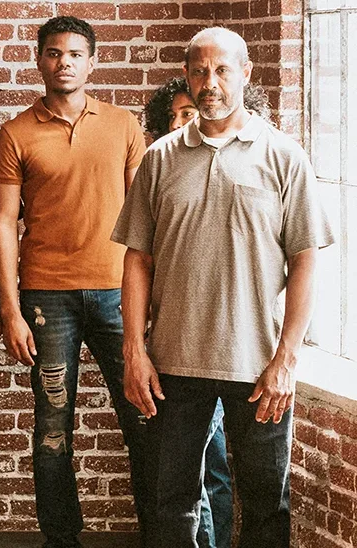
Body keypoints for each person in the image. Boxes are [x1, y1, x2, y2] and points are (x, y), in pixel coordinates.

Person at [116, 27, 333, 548]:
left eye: (221, 70)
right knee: (171, 506)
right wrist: (134, 351)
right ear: (186, 76)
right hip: (173, 363)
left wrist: (286, 360)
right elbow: (137, 260)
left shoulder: (285, 157)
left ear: (245, 73)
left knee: (265, 506)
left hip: (258, 366)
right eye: (198, 71)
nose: (209, 83)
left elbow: (305, 262)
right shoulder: (160, 158)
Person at [0, 16, 155, 547]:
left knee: (145, 417)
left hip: (117, 295)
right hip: (45, 298)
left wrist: (151, 301)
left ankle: (162, 533)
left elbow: (146, 222)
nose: (65, 63)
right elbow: (2, 225)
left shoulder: (124, 126)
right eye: (55, 54)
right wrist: (10, 311)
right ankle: (62, 539)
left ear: (92, 61)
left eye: (76, 54)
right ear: (39, 60)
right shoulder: (15, 133)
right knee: (53, 429)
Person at [140, 73, 251, 548]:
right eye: (180, 117)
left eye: (194, 113)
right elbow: (141, 260)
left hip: (236, 349)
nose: (189, 122)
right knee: (179, 478)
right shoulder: (159, 167)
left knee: (219, 465)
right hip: (176, 346)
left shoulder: (258, 162)